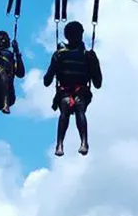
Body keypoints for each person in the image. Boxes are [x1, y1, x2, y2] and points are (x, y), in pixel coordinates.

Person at [43, 21, 102, 156]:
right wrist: (55, 63)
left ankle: (84, 142)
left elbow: (98, 83)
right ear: (66, 35)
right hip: (64, 91)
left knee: (79, 105)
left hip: (81, 91)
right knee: (65, 106)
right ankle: (59, 143)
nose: (76, 37)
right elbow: (47, 81)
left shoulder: (87, 55)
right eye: (72, 34)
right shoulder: (60, 54)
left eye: (78, 34)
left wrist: (93, 63)